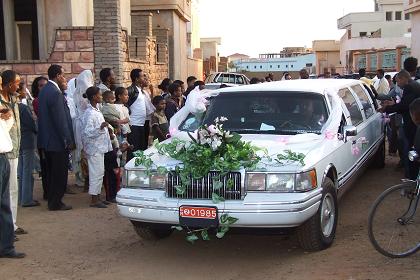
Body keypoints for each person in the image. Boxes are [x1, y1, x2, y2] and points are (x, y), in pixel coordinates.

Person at [37, 64, 75, 211]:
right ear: (58, 76)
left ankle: (52, 200)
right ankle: (56, 202)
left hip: (47, 140)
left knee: (52, 173)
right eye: (63, 75)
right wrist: (68, 140)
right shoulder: (55, 92)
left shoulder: (45, 90)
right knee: (59, 173)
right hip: (57, 141)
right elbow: (61, 120)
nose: (64, 78)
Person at [380, 70, 420, 179]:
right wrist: (393, 104)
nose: (398, 84)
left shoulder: (409, 87)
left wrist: (386, 108)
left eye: (398, 81)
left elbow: (404, 106)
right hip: (413, 124)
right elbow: (404, 104)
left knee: (409, 150)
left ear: (403, 79)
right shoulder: (414, 85)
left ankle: (410, 178)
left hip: (411, 125)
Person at [1, 70, 26, 235]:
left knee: (13, 189)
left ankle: (12, 224)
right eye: (16, 83)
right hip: (4, 150)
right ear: (9, 84)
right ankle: (7, 227)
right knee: (7, 190)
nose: (18, 86)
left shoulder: (14, 100)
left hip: (14, 148)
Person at [81, 86, 112, 208]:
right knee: (95, 173)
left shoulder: (96, 111)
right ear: (94, 97)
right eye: (100, 94)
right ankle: (94, 200)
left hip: (100, 147)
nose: (101, 97)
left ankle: (97, 197)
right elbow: (87, 132)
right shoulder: (89, 113)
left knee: (100, 173)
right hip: (94, 149)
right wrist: (100, 128)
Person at [17, 86, 39, 207]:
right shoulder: (23, 108)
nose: (26, 92)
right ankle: (26, 199)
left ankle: (22, 197)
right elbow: (32, 125)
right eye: (24, 90)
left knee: (22, 170)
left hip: (20, 141)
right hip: (27, 141)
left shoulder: (15, 106)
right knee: (27, 171)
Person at [72, 70, 94, 188]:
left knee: (82, 152)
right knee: (85, 152)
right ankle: (87, 179)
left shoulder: (77, 92)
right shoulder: (88, 92)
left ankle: (83, 177)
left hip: (80, 124)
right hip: (84, 125)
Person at [126, 69, 150, 159]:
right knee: (133, 150)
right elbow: (124, 104)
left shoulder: (140, 90)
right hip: (133, 124)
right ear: (136, 79)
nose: (144, 78)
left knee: (141, 149)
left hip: (141, 124)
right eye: (142, 76)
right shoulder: (131, 90)